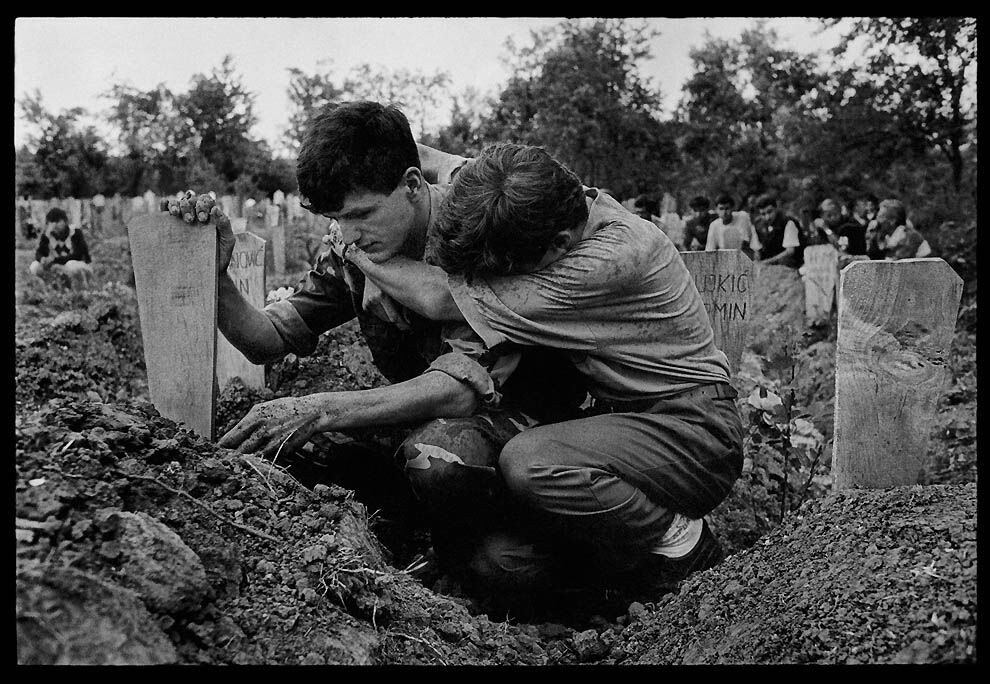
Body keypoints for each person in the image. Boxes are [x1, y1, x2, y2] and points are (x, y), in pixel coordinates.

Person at [184, 101, 586, 591]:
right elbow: (264, 339)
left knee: (443, 468)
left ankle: (534, 555)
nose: (348, 233)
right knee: (281, 445)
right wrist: (217, 271)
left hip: (533, 434)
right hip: (433, 422)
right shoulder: (357, 247)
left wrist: (319, 407)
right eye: (337, 218)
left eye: (363, 214)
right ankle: (412, 537)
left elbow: (462, 389)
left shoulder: (478, 230)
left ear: (413, 185)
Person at [340, 142, 744, 602]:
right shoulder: (542, 198)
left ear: (559, 247)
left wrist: (357, 254)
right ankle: (612, 574)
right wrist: (376, 142)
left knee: (530, 462)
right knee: (502, 564)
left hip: (692, 432)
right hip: (619, 426)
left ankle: (680, 541)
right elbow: (438, 160)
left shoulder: (604, 262)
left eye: (508, 273)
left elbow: (438, 298)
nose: (498, 278)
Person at [28, 207, 93, 288]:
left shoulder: (75, 233)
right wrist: (42, 259)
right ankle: (54, 287)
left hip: (79, 267)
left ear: (65, 222)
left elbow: (78, 255)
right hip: (57, 267)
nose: (54, 225)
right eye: (51, 223)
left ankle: (81, 289)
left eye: (57, 222)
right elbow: (39, 252)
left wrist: (55, 261)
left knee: (71, 265)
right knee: (35, 266)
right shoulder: (48, 235)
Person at [866, 199, 932, 260]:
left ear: (892, 221)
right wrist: (872, 236)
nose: (876, 221)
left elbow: (896, 263)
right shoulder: (885, 235)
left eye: (881, 217)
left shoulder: (908, 235)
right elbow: (873, 256)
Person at [705, 193, 762, 259]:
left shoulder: (743, 217)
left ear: (733, 208)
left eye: (727, 208)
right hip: (725, 258)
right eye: (721, 209)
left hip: (745, 255)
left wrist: (757, 252)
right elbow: (710, 250)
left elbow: (753, 237)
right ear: (716, 210)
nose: (724, 212)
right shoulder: (714, 225)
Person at [754, 194, 804, 268]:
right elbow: (757, 249)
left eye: (769, 212)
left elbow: (790, 252)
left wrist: (766, 262)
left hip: (791, 266)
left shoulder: (788, 222)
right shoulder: (758, 225)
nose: (767, 217)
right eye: (763, 214)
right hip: (768, 266)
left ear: (776, 208)